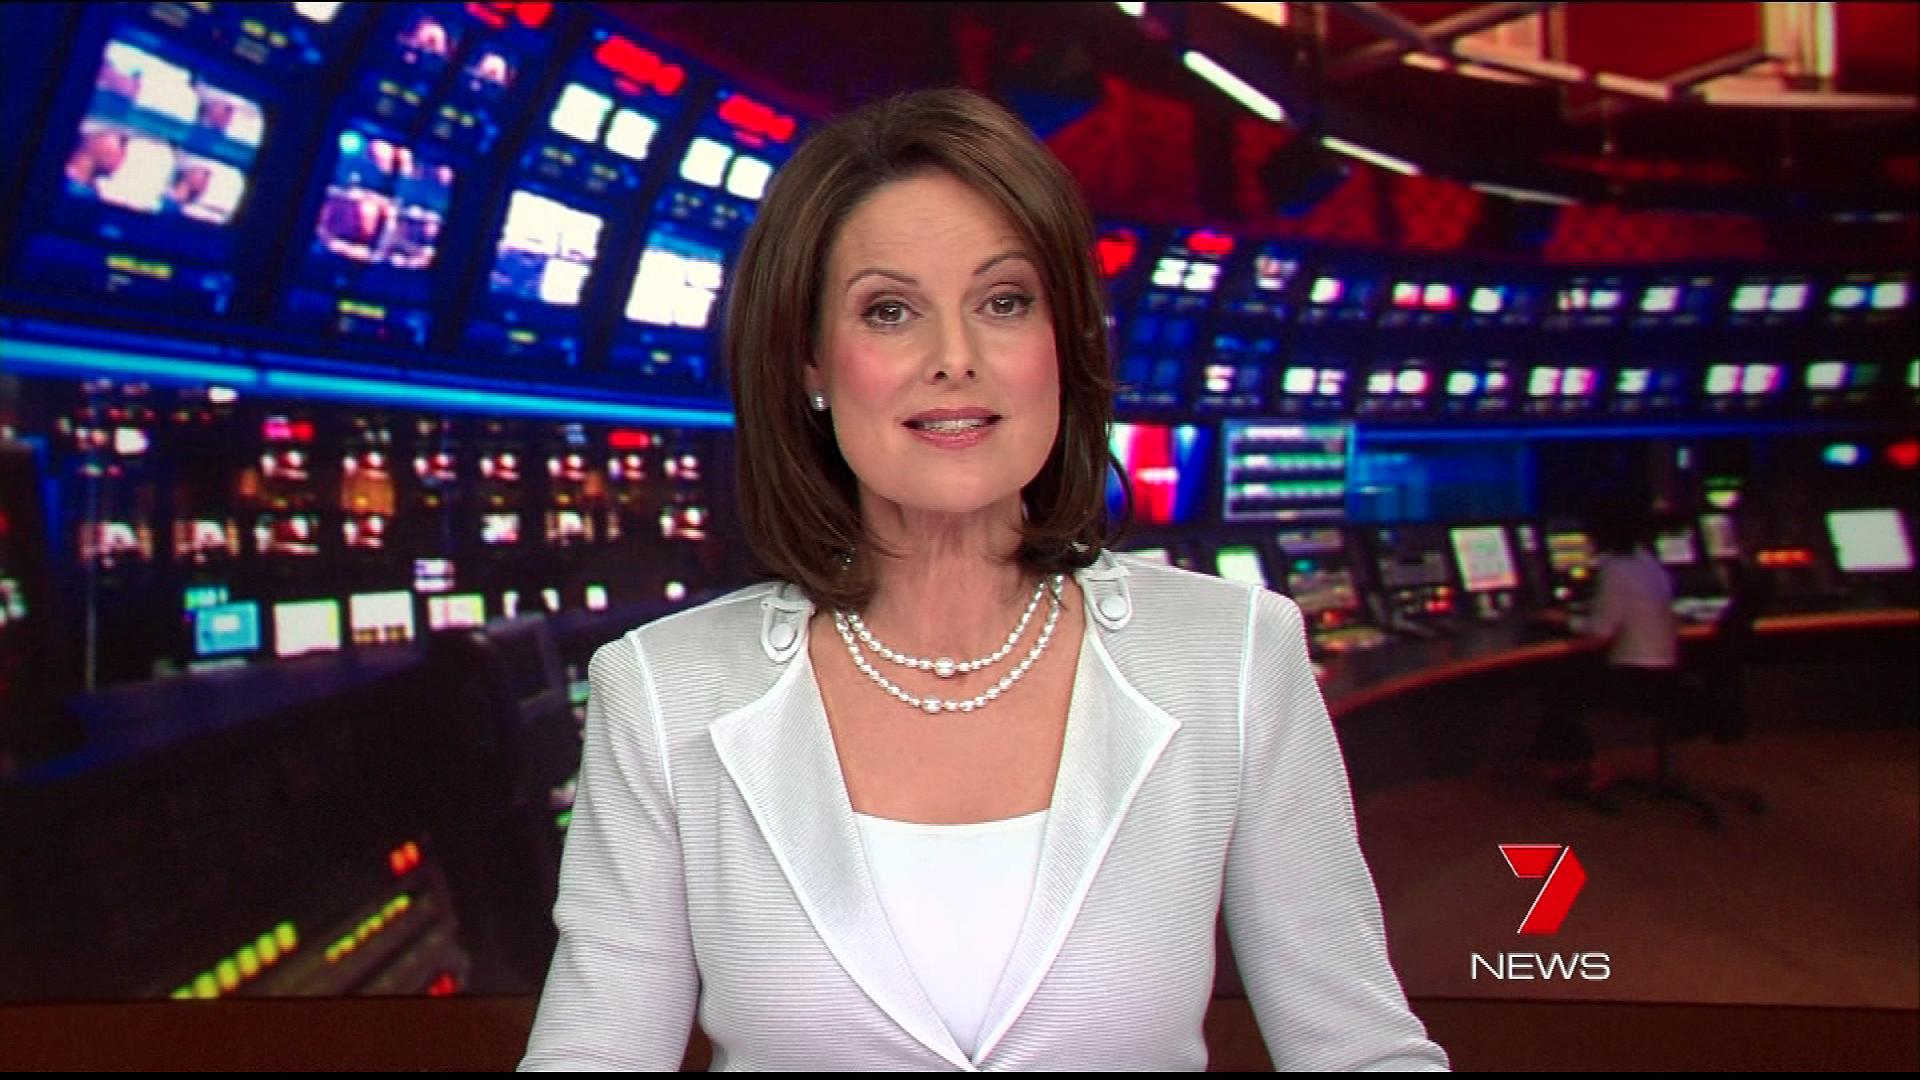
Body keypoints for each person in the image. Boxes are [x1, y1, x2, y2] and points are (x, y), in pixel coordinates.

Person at [520, 88, 1446, 1071]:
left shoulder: (1236, 654)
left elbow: (1361, 1054)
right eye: (889, 312)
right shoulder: (662, 693)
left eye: (1004, 302)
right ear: (811, 365)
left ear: (1063, 342)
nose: (954, 359)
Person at [1534, 500, 1682, 804]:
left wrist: (1564, 620)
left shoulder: (1615, 570)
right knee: (1570, 678)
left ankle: (1587, 767)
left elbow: (1600, 634)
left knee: (1557, 687)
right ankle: (1573, 764)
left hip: (1637, 679)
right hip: (1665, 675)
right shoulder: (1648, 562)